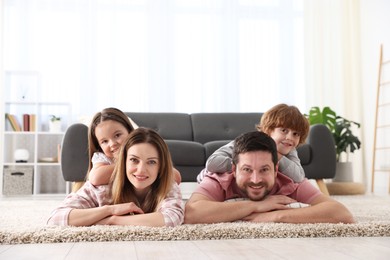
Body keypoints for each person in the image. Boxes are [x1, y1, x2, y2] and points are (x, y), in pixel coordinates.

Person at [185, 131, 355, 224]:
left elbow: (341, 213)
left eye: (264, 169)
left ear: (275, 170)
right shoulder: (220, 178)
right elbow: (191, 213)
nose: (256, 179)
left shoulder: (288, 181)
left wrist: (274, 216)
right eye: (247, 169)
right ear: (234, 170)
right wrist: (257, 206)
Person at [47, 127, 184, 227]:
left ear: (161, 166)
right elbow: (55, 218)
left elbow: (171, 218)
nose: (141, 170)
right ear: (122, 162)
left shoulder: (167, 184)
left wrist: (112, 220)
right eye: (134, 160)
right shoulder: (102, 187)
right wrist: (110, 210)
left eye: (152, 162)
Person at [72, 107, 181, 192]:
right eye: (104, 141)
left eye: (117, 135)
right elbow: (96, 178)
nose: (112, 144)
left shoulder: (142, 151)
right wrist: (128, 164)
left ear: (130, 132)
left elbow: (176, 177)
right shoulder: (102, 158)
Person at [197, 103, 310, 183]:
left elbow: (299, 177)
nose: (290, 137)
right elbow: (212, 163)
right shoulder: (249, 142)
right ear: (269, 130)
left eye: (296, 134)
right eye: (284, 130)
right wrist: (245, 165)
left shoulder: (290, 150)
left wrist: (276, 156)